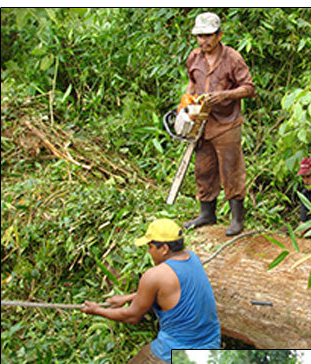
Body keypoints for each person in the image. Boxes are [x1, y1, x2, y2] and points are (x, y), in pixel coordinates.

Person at [81, 219, 220, 363]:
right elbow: (169, 290)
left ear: (164, 249)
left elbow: (132, 317)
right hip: (211, 345)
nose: (148, 252)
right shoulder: (192, 258)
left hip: (178, 353)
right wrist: (128, 297)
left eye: (150, 247)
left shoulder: (154, 275)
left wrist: (97, 310)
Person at [181, 12, 256, 236]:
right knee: (204, 169)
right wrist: (187, 100)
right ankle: (207, 213)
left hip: (227, 123)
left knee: (231, 169)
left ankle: (237, 218)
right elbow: (192, 82)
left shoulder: (232, 58)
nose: (203, 41)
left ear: (219, 35)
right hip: (202, 123)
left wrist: (225, 95)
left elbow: (249, 88)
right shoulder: (194, 57)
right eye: (199, 36)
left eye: (208, 36)